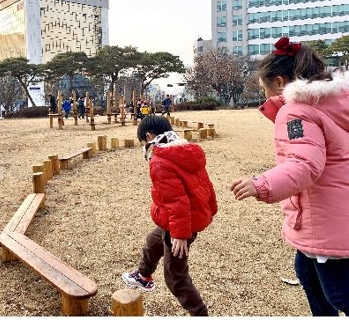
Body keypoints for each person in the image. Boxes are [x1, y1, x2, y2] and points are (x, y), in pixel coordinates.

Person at [230, 37, 349, 316]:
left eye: (265, 89)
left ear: (281, 82)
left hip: (327, 221)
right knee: (305, 271)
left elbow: (305, 165)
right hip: (335, 215)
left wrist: (261, 184)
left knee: (339, 294)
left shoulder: (297, 110)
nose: (265, 96)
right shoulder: (336, 101)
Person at [121, 115, 218, 316]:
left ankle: (200, 313)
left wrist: (181, 234)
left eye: (142, 142)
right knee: (153, 241)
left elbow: (176, 200)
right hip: (181, 219)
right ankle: (143, 275)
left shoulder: (160, 160)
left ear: (148, 136)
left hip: (181, 225)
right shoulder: (185, 150)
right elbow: (205, 185)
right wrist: (210, 209)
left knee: (175, 275)